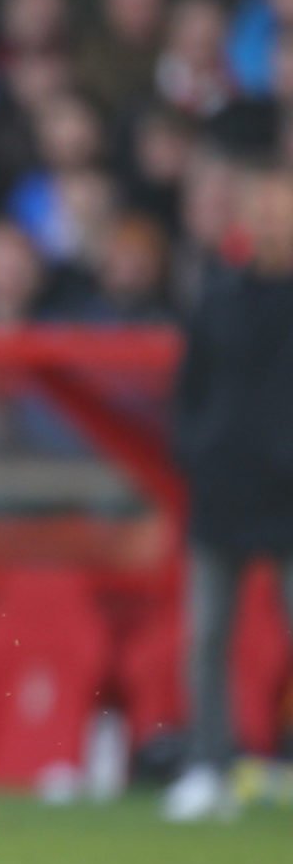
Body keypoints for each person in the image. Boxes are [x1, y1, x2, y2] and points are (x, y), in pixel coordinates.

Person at [166, 165, 293, 821]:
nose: (273, 224)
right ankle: (206, 763)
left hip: (289, 497)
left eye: (282, 212)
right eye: (263, 212)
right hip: (223, 491)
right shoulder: (217, 298)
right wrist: (198, 452)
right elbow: (188, 391)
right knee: (207, 636)